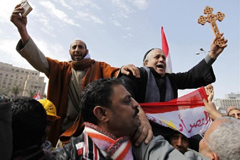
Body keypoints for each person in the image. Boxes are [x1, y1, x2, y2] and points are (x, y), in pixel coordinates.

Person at [10, 4, 152, 147]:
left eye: (80, 47)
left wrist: (123, 69)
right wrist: (22, 29)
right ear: (70, 51)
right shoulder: (60, 69)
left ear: (86, 50)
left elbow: (117, 76)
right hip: (63, 130)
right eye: (74, 47)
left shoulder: (99, 67)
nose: (77, 50)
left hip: (90, 130)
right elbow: (37, 58)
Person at [55, 78, 208, 160]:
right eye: (127, 100)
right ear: (102, 114)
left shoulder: (147, 144)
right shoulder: (68, 155)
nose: (137, 105)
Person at [119, 35, 227, 137]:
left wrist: (212, 55)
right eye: (157, 57)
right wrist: (137, 111)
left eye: (163, 58)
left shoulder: (171, 79)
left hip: (170, 131)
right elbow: (123, 92)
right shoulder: (138, 74)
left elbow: (192, 76)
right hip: (142, 131)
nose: (161, 59)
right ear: (146, 63)